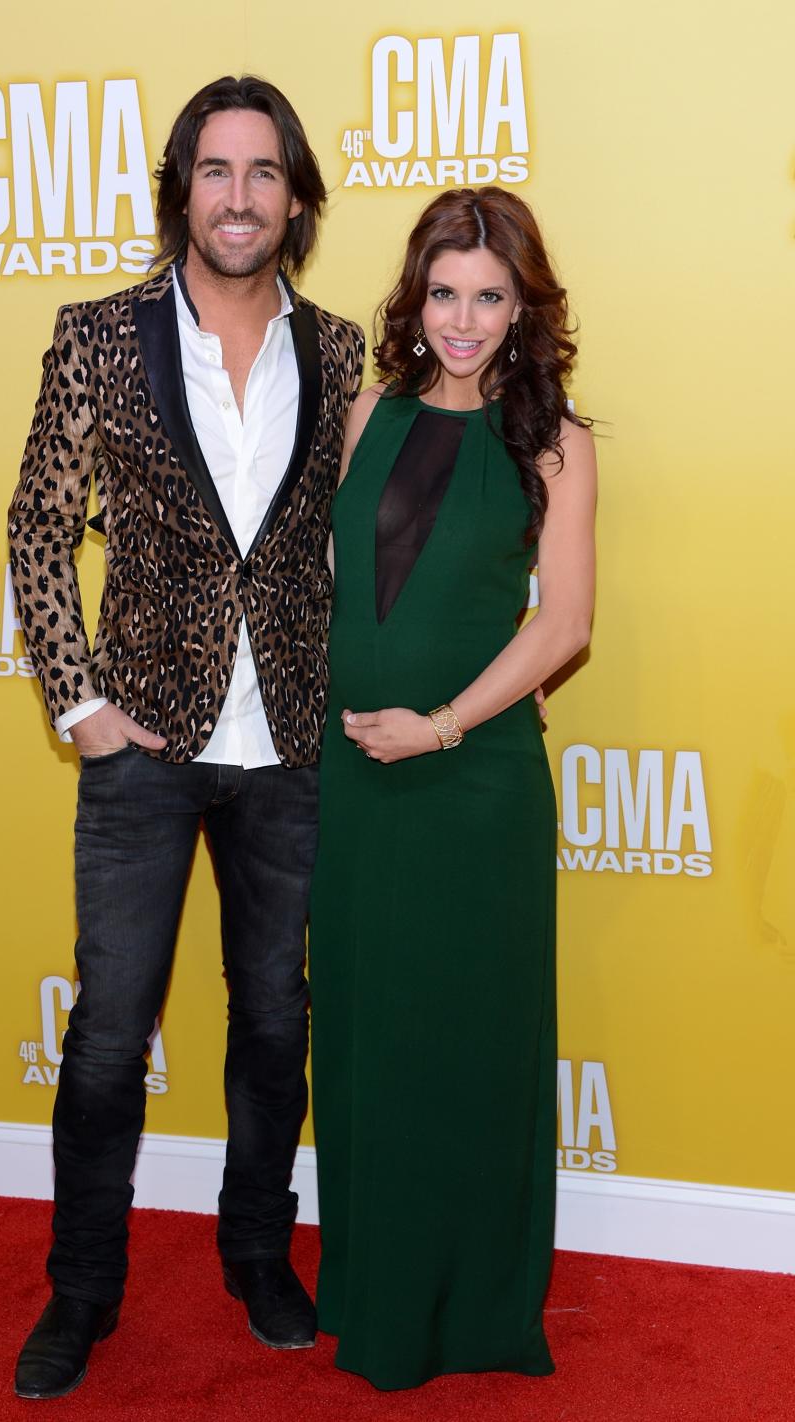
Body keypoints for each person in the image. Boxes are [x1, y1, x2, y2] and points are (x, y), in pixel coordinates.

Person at [7, 75, 363, 1400]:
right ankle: (84, 1288)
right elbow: (41, 519)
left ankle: (257, 1252)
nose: (239, 196)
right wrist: (79, 703)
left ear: (295, 195)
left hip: (291, 747)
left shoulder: (339, 353)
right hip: (143, 747)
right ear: (182, 188)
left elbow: (350, 542)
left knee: (275, 1015)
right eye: (215, 170)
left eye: (264, 172)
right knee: (110, 1027)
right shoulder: (100, 332)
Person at [309, 186, 597, 1390]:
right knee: (370, 1040)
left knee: (467, 1047)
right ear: (414, 298)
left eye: (491, 296)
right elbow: (336, 574)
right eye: (445, 293)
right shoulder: (368, 407)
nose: (466, 319)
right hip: (354, 786)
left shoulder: (556, 441)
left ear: (524, 307)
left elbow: (566, 625)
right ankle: (374, 1293)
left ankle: (476, 1308)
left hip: (471, 787)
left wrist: (440, 724)